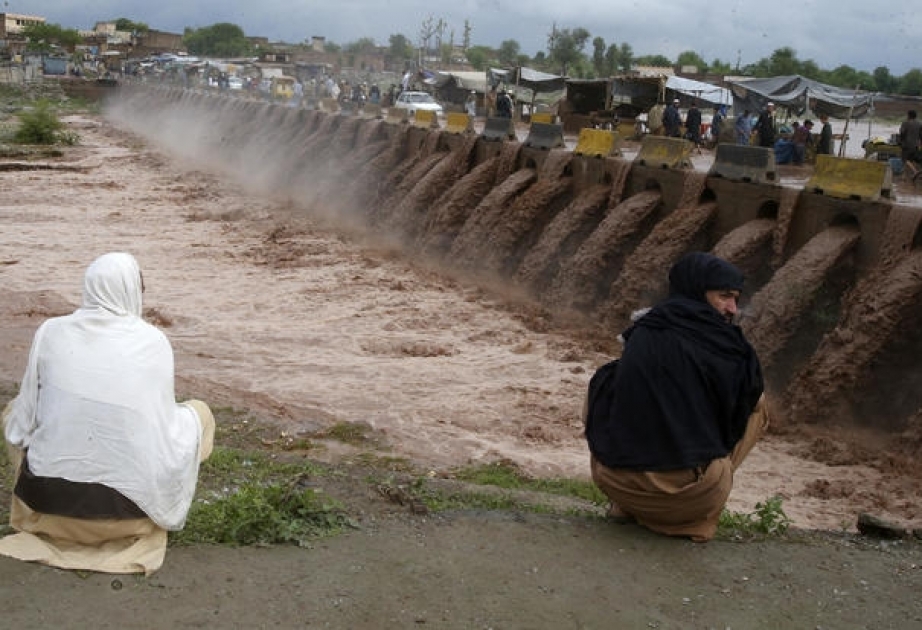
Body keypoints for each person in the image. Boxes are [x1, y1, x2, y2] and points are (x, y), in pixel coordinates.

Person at [0, 252, 214, 575]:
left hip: (48, 510)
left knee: (15, 411)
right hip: (128, 519)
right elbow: (162, 433)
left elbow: (20, 428)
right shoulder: (154, 342)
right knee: (200, 415)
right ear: (130, 292)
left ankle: (41, 514)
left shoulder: (50, 332)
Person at [584, 252, 768, 542]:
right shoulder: (726, 345)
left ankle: (626, 506)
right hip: (686, 498)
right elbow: (741, 407)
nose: (732, 309)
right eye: (724, 296)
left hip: (615, 484)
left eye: (735, 298)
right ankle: (692, 522)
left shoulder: (643, 329)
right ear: (697, 291)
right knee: (758, 406)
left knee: (606, 379)